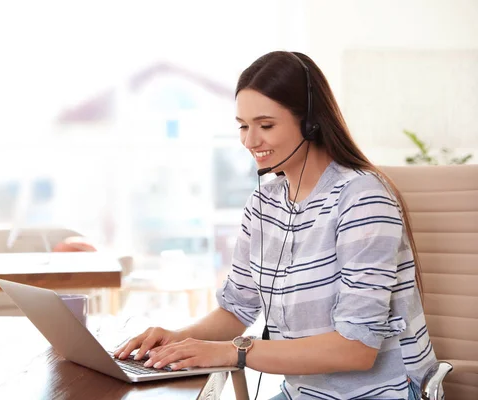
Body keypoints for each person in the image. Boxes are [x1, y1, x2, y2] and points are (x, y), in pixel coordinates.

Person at [114, 51, 435, 400]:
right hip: (304, 393)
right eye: (243, 125)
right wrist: (177, 339)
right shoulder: (263, 204)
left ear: (311, 122)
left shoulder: (362, 199)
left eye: (265, 125)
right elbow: (236, 309)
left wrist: (235, 352)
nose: (250, 142)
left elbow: (356, 349)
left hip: (380, 393)